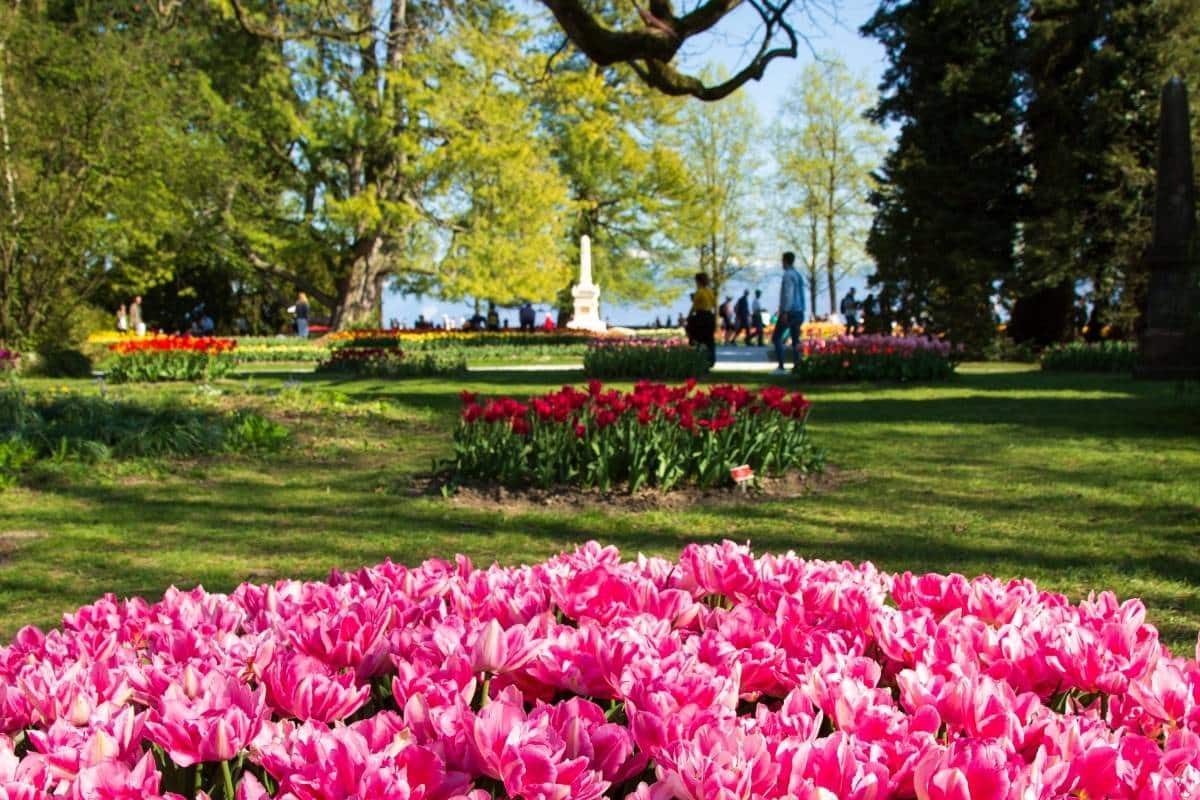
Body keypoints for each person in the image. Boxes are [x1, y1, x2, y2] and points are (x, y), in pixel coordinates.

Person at [772, 252, 805, 374]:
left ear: (785, 261)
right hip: (799, 311)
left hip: (789, 311)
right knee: (796, 340)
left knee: (776, 337)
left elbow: (787, 294)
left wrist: (784, 311)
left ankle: (781, 366)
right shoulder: (798, 275)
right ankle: (797, 366)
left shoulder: (787, 275)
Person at [689, 273, 717, 367]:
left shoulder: (699, 291)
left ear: (698, 281)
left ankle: (700, 359)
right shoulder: (710, 291)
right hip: (710, 316)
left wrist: (689, 316)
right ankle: (711, 360)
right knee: (709, 340)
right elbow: (714, 305)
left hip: (701, 316)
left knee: (698, 339)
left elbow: (694, 306)